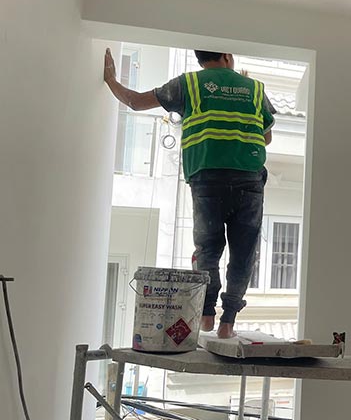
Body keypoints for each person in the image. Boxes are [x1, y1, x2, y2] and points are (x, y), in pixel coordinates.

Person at [103, 48, 276, 338]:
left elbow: (135, 102)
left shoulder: (189, 84)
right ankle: (228, 322)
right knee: (243, 252)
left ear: (200, 58)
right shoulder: (255, 89)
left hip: (207, 180)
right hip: (248, 181)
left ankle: (206, 314)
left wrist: (111, 80)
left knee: (207, 249)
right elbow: (266, 137)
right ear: (227, 56)